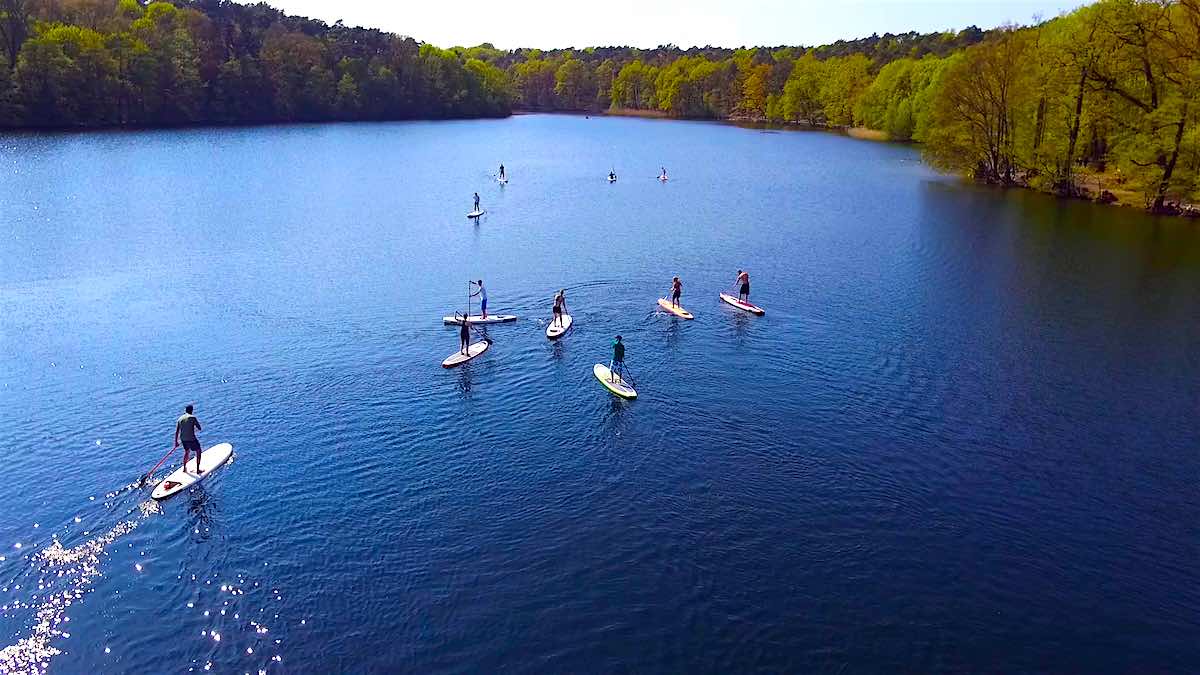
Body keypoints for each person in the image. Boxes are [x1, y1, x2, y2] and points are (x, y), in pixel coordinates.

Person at [174, 404, 203, 474]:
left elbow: (177, 431)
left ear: (185, 410)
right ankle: (198, 470)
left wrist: (176, 442)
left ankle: (184, 468)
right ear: (192, 411)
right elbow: (199, 428)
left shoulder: (180, 419)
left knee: (187, 452)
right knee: (198, 451)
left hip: (183, 439)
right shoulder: (192, 418)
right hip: (191, 439)